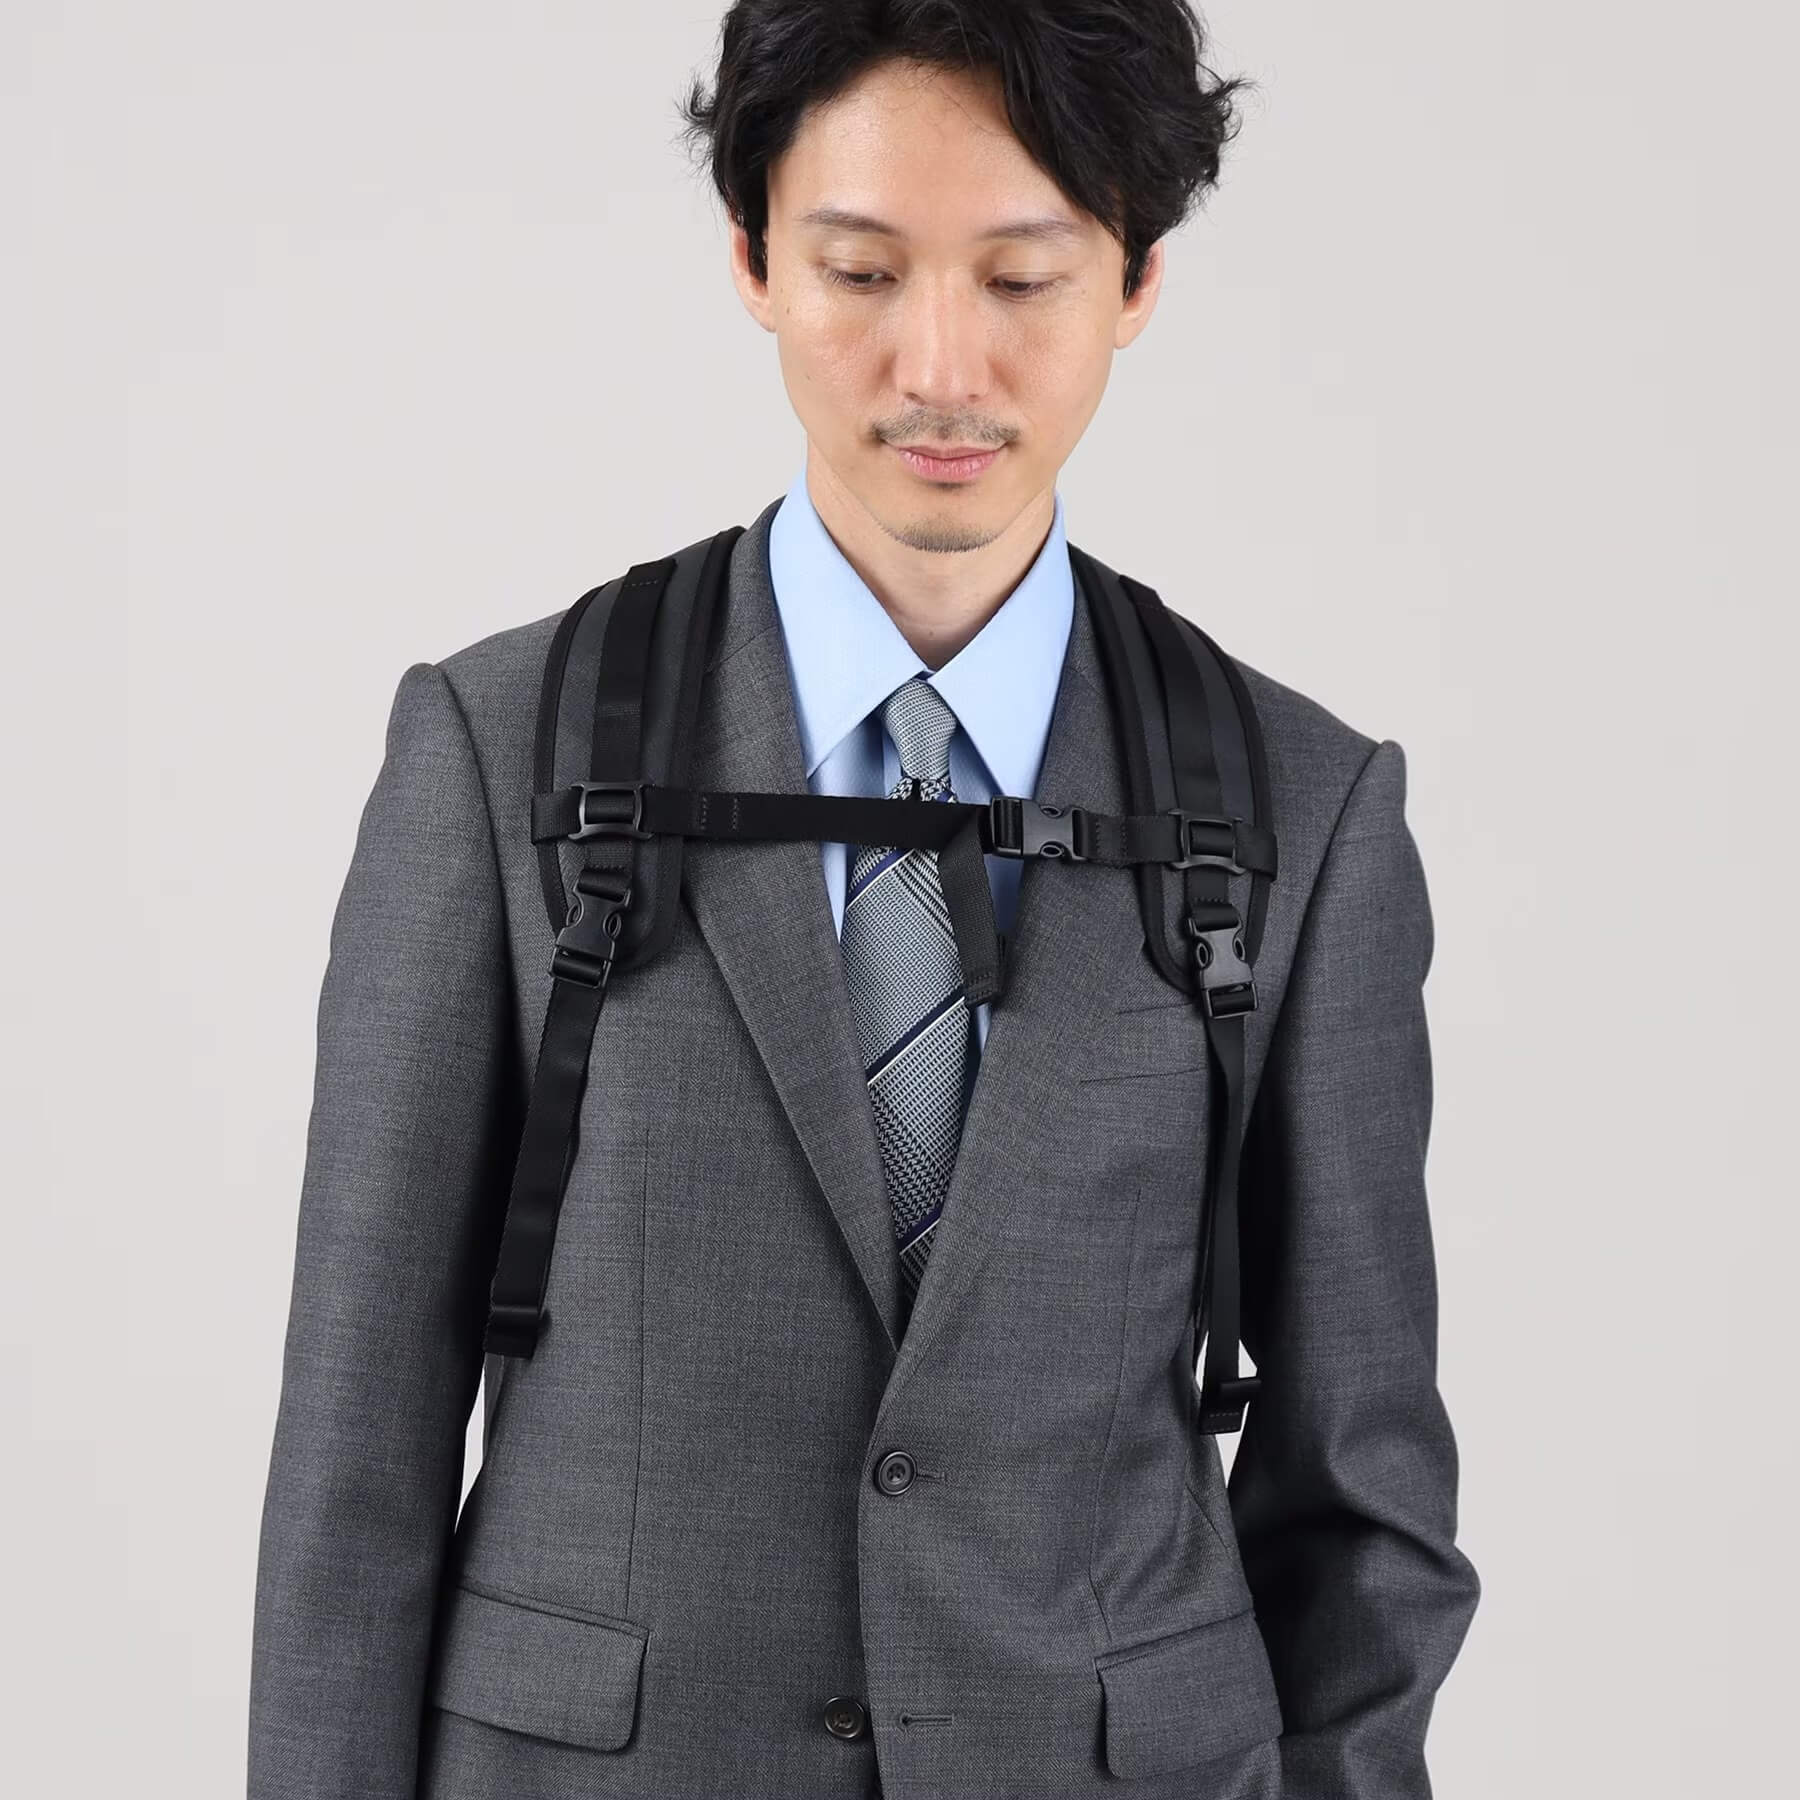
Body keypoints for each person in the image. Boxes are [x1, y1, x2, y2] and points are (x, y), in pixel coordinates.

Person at [247, 4, 1480, 1797]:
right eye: (861, 270)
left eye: (1023, 279)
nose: (940, 367)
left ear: (1138, 277)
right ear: (753, 257)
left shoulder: (1308, 807)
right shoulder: (496, 750)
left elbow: (1365, 1500)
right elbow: (352, 1467)